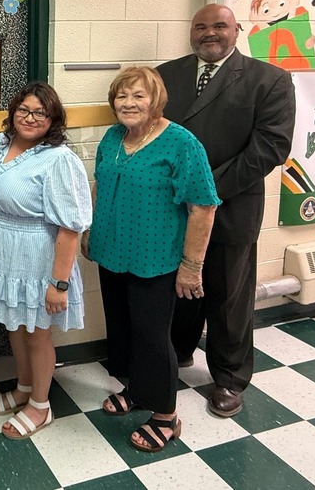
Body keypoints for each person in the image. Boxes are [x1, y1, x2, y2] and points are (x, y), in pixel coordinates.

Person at [157, 4, 295, 418]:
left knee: (227, 296)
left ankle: (229, 379)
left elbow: (270, 147)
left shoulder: (268, 80)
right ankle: (178, 353)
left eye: (219, 26)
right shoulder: (167, 75)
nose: (209, 33)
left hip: (231, 207)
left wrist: (205, 191)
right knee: (176, 288)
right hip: (172, 206)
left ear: (237, 30)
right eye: (200, 27)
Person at [0, 82, 91, 442]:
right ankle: (25, 387)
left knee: (38, 332)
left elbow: (70, 228)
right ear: (13, 112)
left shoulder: (59, 159)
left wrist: (59, 284)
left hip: (37, 257)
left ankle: (41, 406)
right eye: (23, 110)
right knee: (15, 325)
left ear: (53, 119)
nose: (29, 117)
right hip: (1, 252)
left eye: (40, 112)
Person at [86, 66, 219, 452]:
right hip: (112, 251)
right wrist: (92, 232)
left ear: (156, 100)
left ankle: (165, 415)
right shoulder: (113, 137)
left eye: (138, 96)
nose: (128, 104)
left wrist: (192, 266)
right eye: (122, 96)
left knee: (152, 334)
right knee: (123, 327)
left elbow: (203, 207)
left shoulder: (181, 143)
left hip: (157, 258)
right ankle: (137, 391)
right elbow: (102, 185)